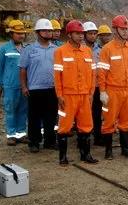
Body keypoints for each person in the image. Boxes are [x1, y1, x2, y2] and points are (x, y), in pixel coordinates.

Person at [53, 20, 98, 165]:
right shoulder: (60, 51)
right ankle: (63, 157)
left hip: (84, 95)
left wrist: (91, 93)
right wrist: (59, 95)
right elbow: (57, 76)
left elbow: (93, 74)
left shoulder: (87, 51)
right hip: (67, 96)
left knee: (86, 126)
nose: (80, 36)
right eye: (77, 33)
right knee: (64, 127)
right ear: (69, 34)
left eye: (81, 33)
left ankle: (86, 155)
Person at [97, 15, 128, 159]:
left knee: (127, 121)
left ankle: (125, 149)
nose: (126, 32)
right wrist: (102, 92)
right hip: (112, 90)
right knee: (109, 120)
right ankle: (108, 151)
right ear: (115, 30)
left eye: (126, 29)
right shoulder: (107, 49)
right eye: (123, 29)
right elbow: (102, 73)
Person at [19, 18, 58, 153]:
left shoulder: (56, 50)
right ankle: (34, 142)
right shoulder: (29, 50)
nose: (48, 33)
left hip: (52, 89)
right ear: (37, 32)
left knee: (51, 117)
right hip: (35, 89)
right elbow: (23, 69)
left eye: (50, 31)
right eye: (44, 30)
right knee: (34, 117)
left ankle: (50, 141)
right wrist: (24, 86)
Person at [0, 20, 28, 146]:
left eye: (22, 33)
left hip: (24, 86)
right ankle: (11, 135)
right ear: (11, 34)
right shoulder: (3, 49)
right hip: (10, 86)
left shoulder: (26, 49)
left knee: (23, 110)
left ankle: (21, 133)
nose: (21, 36)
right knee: (11, 110)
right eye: (18, 33)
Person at [82, 21, 104, 146]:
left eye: (95, 33)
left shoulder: (100, 50)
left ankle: (98, 137)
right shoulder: (80, 49)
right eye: (90, 33)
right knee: (83, 114)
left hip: (97, 86)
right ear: (84, 34)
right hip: (83, 87)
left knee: (97, 113)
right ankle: (83, 138)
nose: (93, 36)